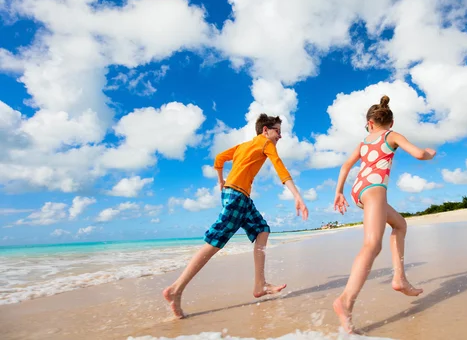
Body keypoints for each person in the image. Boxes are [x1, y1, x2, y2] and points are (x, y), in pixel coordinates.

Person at [163, 113, 309, 318]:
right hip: (237, 197)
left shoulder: (242, 146)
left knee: (262, 230)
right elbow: (280, 168)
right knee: (215, 241)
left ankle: (260, 284)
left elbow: (219, 158)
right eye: (277, 131)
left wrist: (220, 181)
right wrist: (297, 196)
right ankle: (175, 289)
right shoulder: (266, 144)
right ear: (265, 131)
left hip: (238, 196)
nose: (280, 136)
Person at [332, 95, 436, 333]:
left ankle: (400, 278)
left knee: (399, 224)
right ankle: (345, 301)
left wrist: (339, 192)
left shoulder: (363, 142)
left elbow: (345, 166)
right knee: (372, 245)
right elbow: (419, 154)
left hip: (358, 190)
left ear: (369, 123)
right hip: (374, 189)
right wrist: (430, 152)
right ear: (390, 122)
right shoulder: (392, 135)